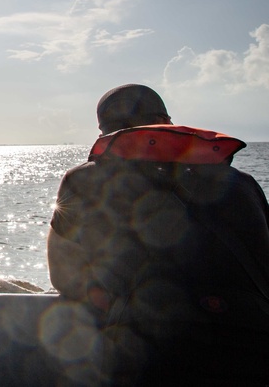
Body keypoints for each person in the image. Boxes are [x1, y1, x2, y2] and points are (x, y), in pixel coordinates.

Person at [47, 84, 269, 385]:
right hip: (253, 348)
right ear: (168, 124)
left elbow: (63, 275)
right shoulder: (242, 183)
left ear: (103, 134)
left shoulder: (83, 179)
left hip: (149, 355)